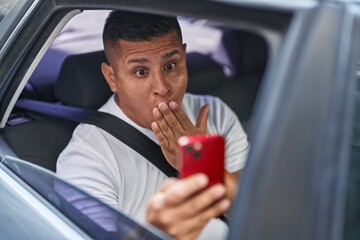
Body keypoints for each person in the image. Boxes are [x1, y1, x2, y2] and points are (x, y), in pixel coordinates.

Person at [57, 10, 249, 239]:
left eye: (170, 66)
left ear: (184, 58)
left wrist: (200, 163)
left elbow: (255, 204)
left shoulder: (214, 112)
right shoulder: (87, 156)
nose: (162, 87)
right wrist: (155, 233)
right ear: (112, 78)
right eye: (141, 71)